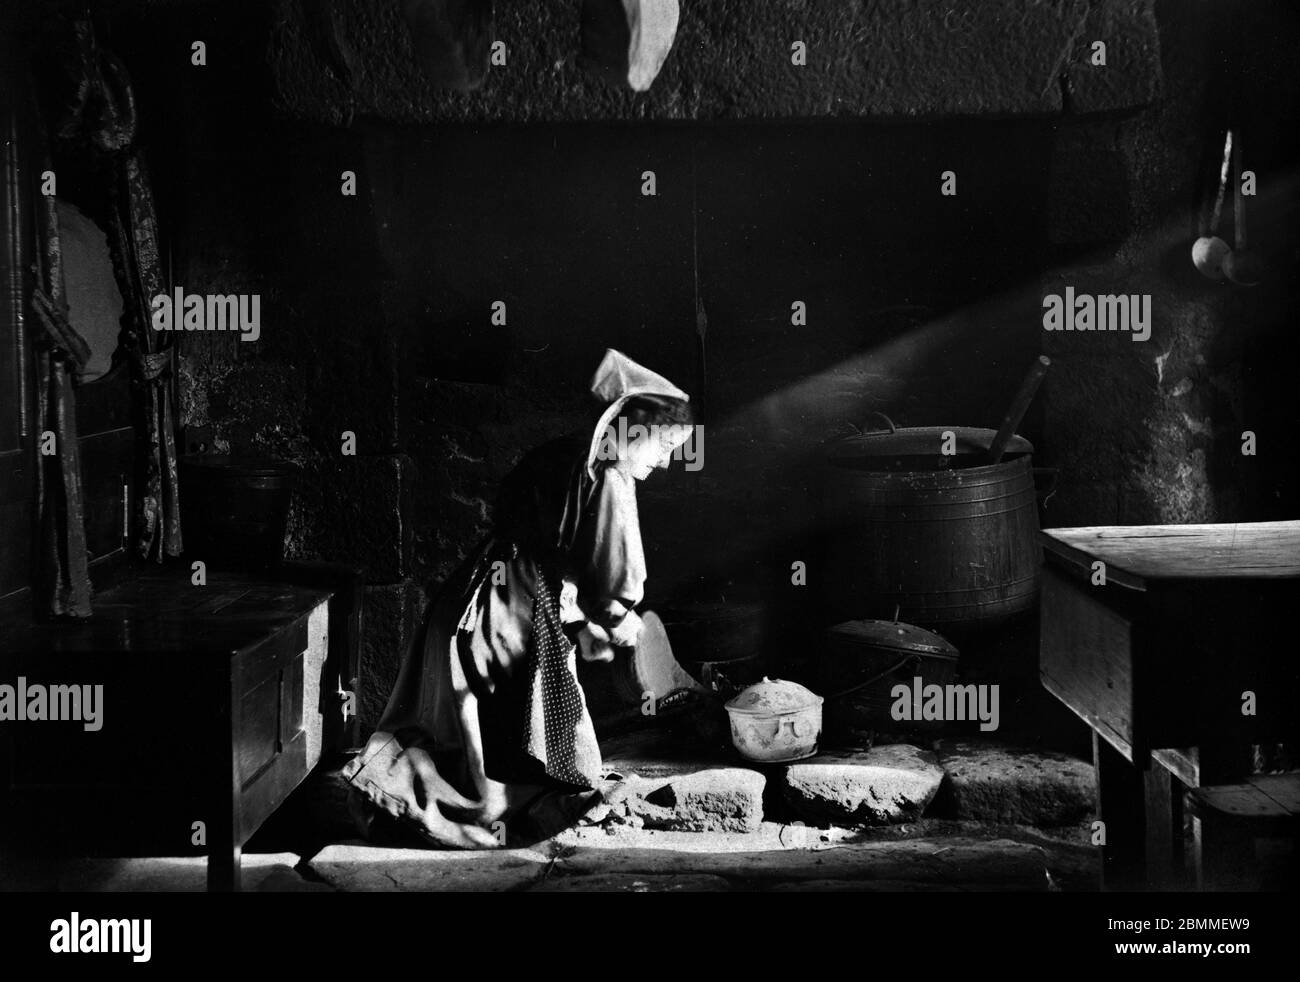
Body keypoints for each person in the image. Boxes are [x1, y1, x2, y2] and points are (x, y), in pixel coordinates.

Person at [344, 349, 694, 847]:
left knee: (475, 722)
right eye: (664, 446)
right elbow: (612, 580)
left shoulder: (570, 454)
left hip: (481, 591)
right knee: (490, 740)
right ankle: (421, 802)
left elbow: (550, 543)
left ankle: (407, 794)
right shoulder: (610, 477)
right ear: (636, 429)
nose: (664, 462)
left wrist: (585, 622)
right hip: (507, 612)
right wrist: (624, 624)